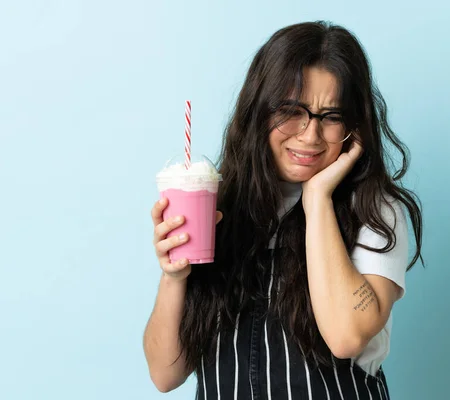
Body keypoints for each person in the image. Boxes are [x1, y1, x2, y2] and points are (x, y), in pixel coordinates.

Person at [143, 21, 423, 400]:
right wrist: (174, 277)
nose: (310, 134)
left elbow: (346, 336)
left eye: (331, 116)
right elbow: (164, 374)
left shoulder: (374, 212)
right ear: (259, 110)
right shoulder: (218, 210)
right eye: (292, 110)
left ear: (354, 126)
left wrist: (318, 199)